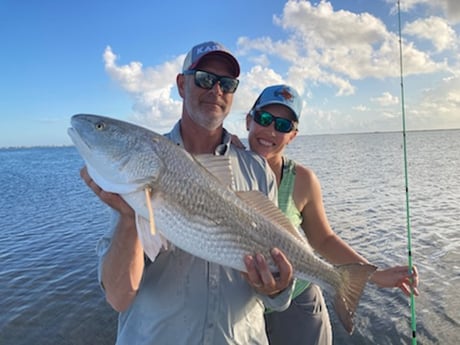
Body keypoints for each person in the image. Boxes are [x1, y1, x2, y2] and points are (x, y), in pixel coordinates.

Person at [80, 42, 295, 345]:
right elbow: (118, 296)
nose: (216, 90)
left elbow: (276, 293)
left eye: (227, 83)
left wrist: (277, 288)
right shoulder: (139, 166)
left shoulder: (258, 171)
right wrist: (130, 219)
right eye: (205, 78)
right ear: (182, 84)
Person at [244, 84, 420, 345]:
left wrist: (374, 274)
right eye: (265, 119)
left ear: (293, 135)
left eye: (282, 126)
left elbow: (323, 239)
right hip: (244, 305)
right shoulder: (225, 165)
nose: (271, 131)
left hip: (297, 302)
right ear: (249, 120)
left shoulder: (303, 180)